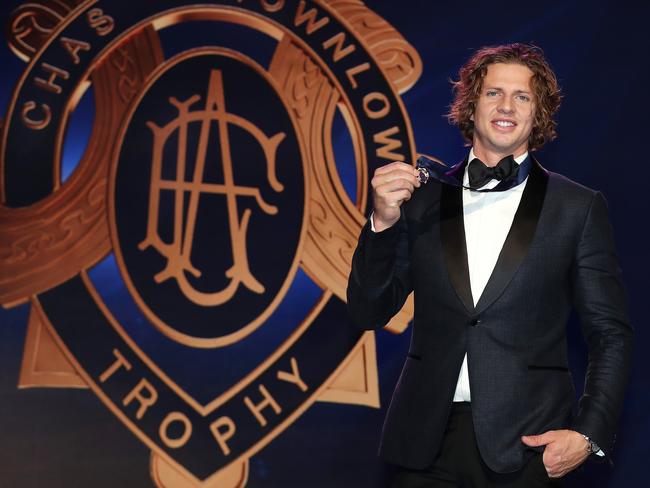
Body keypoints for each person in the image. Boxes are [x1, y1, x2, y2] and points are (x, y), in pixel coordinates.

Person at [346, 43, 633, 487]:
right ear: (470, 104)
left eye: (522, 96)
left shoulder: (577, 207)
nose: (506, 106)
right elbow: (368, 310)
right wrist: (382, 222)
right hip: (424, 445)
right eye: (494, 92)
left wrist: (588, 433)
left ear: (538, 113)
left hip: (528, 448)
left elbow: (610, 332)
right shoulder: (421, 197)